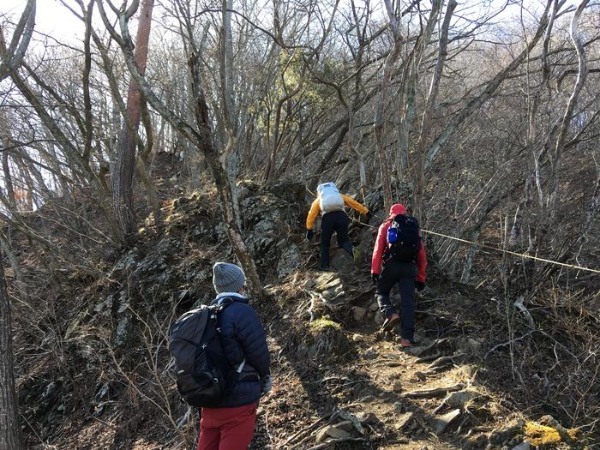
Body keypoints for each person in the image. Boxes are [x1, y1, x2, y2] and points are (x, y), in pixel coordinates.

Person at [197, 262, 272, 450]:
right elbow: (258, 352)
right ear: (240, 286)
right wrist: (265, 378)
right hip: (238, 401)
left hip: (209, 402)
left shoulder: (204, 316)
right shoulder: (241, 312)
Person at [370, 204, 427, 348]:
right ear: (405, 212)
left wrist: (375, 271)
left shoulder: (386, 225)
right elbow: (422, 256)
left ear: (390, 213)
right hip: (409, 268)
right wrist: (421, 277)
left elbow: (378, 250)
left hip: (391, 265)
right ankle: (406, 339)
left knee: (381, 292)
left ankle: (390, 313)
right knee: (408, 302)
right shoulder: (412, 227)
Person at [305, 182, 372, 271]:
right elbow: (353, 203)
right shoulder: (339, 196)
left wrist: (309, 229)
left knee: (325, 244)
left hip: (328, 219)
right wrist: (366, 211)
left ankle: (324, 266)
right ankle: (351, 250)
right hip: (341, 217)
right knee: (343, 240)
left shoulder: (319, 199)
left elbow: (311, 214)